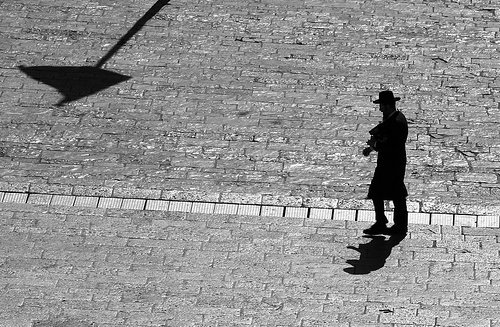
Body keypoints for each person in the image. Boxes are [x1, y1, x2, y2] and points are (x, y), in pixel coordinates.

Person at [363, 90, 408, 235]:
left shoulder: (397, 122)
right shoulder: (392, 118)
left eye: (381, 105)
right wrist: (371, 148)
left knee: (397, 194)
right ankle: (382, 222)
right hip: (388, 162)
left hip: (393, 163)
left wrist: (374, 146)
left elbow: (391, 145)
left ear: (387, 105)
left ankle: (399, 225)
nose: (380, 108)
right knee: (377, 191)